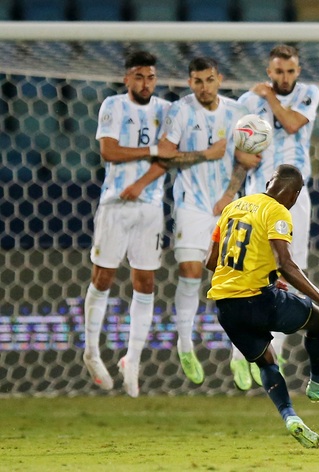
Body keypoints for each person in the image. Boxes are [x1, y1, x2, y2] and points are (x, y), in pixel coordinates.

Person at [206, 164, 319, 449]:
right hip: (259, 300)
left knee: (266, 362)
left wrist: (265, 274)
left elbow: (211, 262)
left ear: (268, 182)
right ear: (296, 194)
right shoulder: (278, 211)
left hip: (226, 306)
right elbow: (287, 264)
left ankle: (290, 417)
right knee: (318, 321)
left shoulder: (233, 206)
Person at [158, 57, 260, 386]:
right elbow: (163, 155)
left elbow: (245, 161)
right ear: (190, 82)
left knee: (235, 281)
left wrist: (231, 193)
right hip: (191, 203)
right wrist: (205, 154)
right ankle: (185, 345)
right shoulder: (179, 111)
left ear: (220, 79)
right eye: (198, 81)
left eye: (210, 80)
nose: (204, 87)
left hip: (227, 205)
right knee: (190, 271)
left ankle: (241, 356)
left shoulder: (235, 113)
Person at [83, 50, 174, 397]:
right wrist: (151, 153)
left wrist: (142, 182)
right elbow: (109, 151)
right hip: (114, 204)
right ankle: (91, 350)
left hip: (149, 207)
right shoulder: (113, 106)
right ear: (127, 79)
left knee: (146, 282)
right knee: (103, 277)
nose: (145, 83)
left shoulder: (166, 110)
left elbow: (170, 158)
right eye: (138, 76)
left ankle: (131, 359)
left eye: (150, 77)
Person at [229, 44, 319, 389]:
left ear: (298, 71)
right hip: (256, 196)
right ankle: (241, 353)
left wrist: (268, 97)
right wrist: (241, 156)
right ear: (269, 71)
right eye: (278, 72)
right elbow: (235, 146)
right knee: (251, 270)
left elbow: (293, 124)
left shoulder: (308, 94)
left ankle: (274, 351)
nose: (285, 78)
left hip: (294, 197)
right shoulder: (245, 103)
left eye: (290, 71)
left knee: (289, 269)